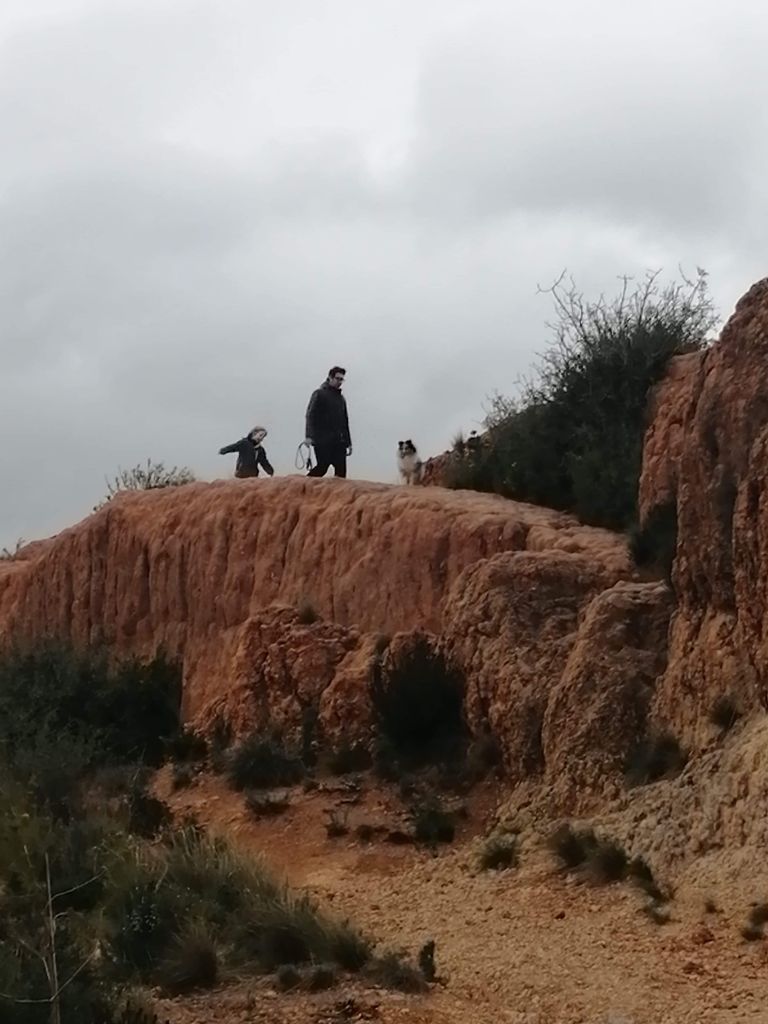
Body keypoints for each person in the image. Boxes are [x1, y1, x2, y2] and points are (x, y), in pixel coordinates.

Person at [304, 366, 352, 478]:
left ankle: (339, 495)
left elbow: (345, 421)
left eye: (342, 379)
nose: (340, 382)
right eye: (337, 378)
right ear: (330, 377)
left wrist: (348, 442)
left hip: (339, 441)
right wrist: (309, 436)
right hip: (322, 439)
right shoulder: (319, 394)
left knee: (341, 472)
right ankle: (302, 489)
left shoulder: (341, 399)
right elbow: (310, 415)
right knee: (322, 467)